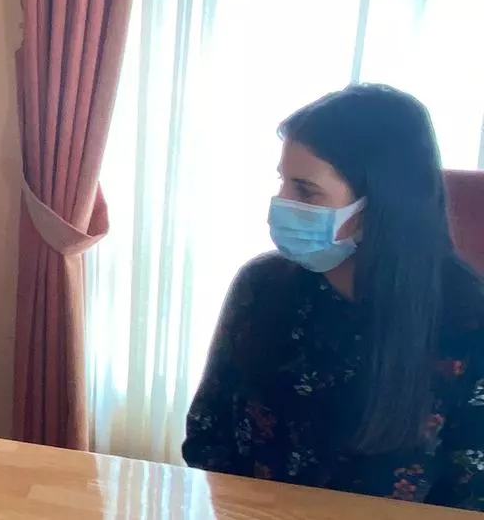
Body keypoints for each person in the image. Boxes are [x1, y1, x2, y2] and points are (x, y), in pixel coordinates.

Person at [182, 84, 484, 510]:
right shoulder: (261, 286)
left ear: (380, 205)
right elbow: (208, 434)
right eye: (283, 181)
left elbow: (470, 494)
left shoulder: (467, 321)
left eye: (306, 191)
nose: (281, 203)